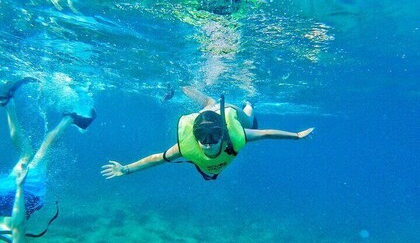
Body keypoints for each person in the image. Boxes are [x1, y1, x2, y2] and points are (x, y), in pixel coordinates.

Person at [101, 86, 314, 181]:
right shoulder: (187, 146)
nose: (207, 143)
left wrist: (296, 136)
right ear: (194, 135)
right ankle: (192, 91)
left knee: (250, 119)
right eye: (202, 137)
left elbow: (266, 133)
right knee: (208, 105)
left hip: (225, 115)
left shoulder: (236, 135)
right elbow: (157, 158)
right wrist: (125, 170)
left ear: (223, 134)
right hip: (208, 117)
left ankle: (249, 101)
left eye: (213, 138)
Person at [0, 78, 96, 242]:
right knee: (26, 153)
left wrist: (21, 187)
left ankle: (71, 119)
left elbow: (17, 226)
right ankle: (7, 103)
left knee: (46, 147)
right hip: (2, 195)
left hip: (25, 194)